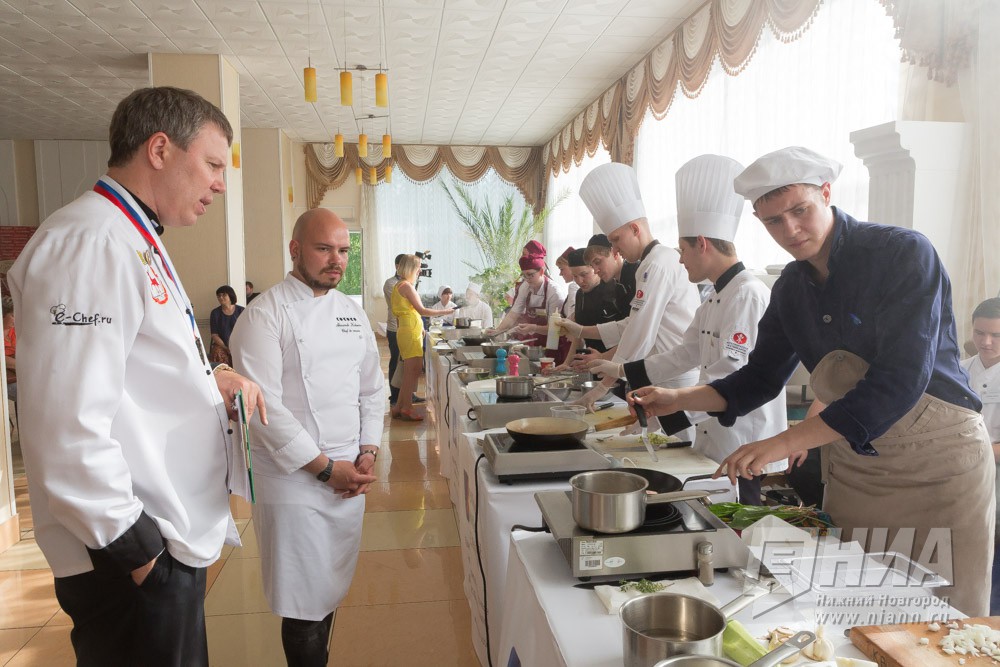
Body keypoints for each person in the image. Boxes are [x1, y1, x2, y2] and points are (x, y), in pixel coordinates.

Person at [629, 146, 994, 616]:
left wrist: (784, 442)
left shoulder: (901, 253)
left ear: (826, 194)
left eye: (799, 211)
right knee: (854, 612)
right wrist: (678, 397)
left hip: (938, 467)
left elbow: (901, 380)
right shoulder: (790, 289)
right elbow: (759, 378)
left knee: (941, 624)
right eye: (773, 221)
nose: (790, 230)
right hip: (859, 471)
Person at [7, 86, 266, 665]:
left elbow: (127, 373)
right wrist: (143, 555)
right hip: (128, 557)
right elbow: (65, 427)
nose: (220, 184)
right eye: (213, 164)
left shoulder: (132, 235)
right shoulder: (90, 241)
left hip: (158, 542)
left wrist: (211, 381)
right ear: (159, 149)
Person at [230, 208, 382, 667]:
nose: (337, 260)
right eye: (324, 249)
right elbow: (263, 411)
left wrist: (368, 450)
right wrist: (325, 469)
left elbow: (372, 388)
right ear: (295, 249)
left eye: (343, 251)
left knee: (329, 591)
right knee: (302, 605)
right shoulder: (264, 314)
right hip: (293, 478)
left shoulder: (351, 312)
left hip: (348, 474)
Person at [588, 155, 787, 504]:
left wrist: (672, 407)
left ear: (702, 244)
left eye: (683, 250)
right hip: (714, 433)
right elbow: (684, 353)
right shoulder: (714, 297)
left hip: (744, 439)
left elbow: (733, 375)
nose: (680, 259)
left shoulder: (747, 294)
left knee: (738, 518)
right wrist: (625, 374)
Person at [561, 163, 700, 412]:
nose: (615, 250)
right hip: (656, 374)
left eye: (616, 240)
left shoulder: (657, 264)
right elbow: (631, 325)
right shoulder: (648, 264)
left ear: (635, 229)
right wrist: (581, 330)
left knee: (671, 437)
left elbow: (640, 331)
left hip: (673, 378)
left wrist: (603, 385)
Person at [961, 297, 1000, 613]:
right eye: (979, 333)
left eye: (996, 335)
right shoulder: (958, 371)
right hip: (961, 471)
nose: (986, 342)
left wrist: (975, 452)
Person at [392, 254, 454, 421]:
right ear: (411, 268)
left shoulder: (398, 285)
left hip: (407, 330)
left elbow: (403, 314)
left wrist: (418, 328)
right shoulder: (407, 286)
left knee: (408, 371)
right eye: (418, 267)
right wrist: (446, 311)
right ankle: (407, 407)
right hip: (410, 332)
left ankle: (398, 406)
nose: (420, 271)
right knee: (413, 370)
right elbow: (422, 310)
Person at [493, 253, 567, 355]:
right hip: (532, 343)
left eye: (530, 275)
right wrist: (497, 331)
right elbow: (513, 314)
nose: (527, 279)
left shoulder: (554, 293)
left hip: (552, 343)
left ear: (541, 272)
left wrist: (533, 328)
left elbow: (555, 328)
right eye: (524, 275)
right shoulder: (525, 286)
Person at [383, 254, 405, 405]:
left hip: (406, 328)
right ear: (397, 266)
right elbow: (403, 303)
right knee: (396, 362)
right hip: (395, 328)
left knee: (406, 364)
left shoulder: (407, 283)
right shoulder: (390, 283)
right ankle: (395, 396)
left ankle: (407, 394)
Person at [209, 284, 244, 365]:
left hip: (239, 344)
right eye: (219, 296)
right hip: (222, 345)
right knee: (218, 352)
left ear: (230, 295)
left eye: (224, 295)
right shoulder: (215, 313)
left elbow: (246, 331)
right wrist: (226, 347)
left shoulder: (242, 311)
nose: (221, 297)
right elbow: (214, 335)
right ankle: (225, 372)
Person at [554, 246, 578, 321]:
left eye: (561, 269)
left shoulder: (574, 286)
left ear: (571, 267)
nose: (560, 274)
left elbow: (571, 318)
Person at [3, 296, 15, 403]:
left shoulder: (15, 330)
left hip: (17, 373)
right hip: (5, 379)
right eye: (12, 316)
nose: (16, 319)